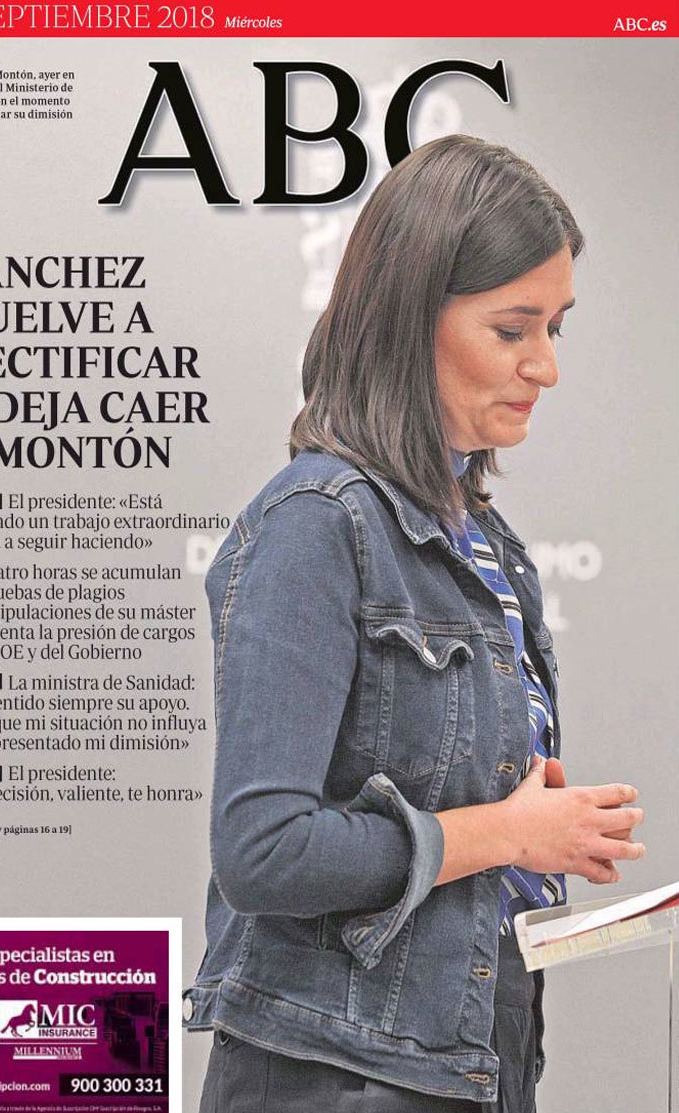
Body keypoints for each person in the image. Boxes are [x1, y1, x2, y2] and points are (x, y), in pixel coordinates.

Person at [183, 134, 645, 1112]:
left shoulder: (492, 545)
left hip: (475, 1061)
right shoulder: (316, 523)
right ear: (408, 320)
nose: (546, 366)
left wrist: (537, 835)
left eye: (556, 327)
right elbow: (263, 850)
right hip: (337, 1078)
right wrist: (506, 831)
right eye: (512, 330)